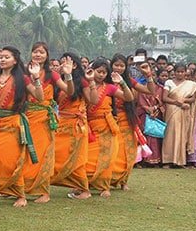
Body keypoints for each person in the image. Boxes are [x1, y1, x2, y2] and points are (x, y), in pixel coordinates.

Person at [0, 46, 43, 207]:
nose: (3, 59)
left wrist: (36, 78)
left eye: (7, 57)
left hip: (13, 123)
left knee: (11, 160)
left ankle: (20, 195)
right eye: (1, 57)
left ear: (15, 60)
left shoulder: (23, 79)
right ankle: (2, 188)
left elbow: (39, 97)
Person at [22, 42, 74, 203]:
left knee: (42, 153)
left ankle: (44, 191)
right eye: (35, 52)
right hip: (25, 116)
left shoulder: (51, 75)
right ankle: (20, 186)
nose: (38, 55)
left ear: (47, 56)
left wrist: (68, 75)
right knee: (23, 153)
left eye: (41, 52)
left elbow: (70, 91)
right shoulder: (24, 72)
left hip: (43, 119)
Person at [82, 59, 133, 198]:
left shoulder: (109, 88)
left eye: (104, 72)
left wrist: (122, 83)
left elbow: (129, 97)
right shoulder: (85, 85)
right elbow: (89, 101)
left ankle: (105, 187)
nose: (101, 75)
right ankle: (85, 184)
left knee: (107, 157)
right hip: (90, 126)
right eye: (99, 71)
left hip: (106, 126)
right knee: (88, 157)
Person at [51, 52, 98, 199]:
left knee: (76, 158)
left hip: (76, 126)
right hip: (62, 124)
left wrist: (91, 82)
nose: (62, 65)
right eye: (61, 62)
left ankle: (84, 190)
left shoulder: (82, 82)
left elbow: (93, 100)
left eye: (65, 62)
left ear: (74, 65)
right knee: (59, 155)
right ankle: (76, 186)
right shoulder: (59, 83)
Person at [109, 54, 154, 190]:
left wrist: (148, 75)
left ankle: (123, 181)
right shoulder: (106, 80)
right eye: (116, 65)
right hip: (109, 119)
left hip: (126, 120)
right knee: (111, 150)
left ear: (126, 67)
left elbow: (150, 91)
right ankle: (105, 179)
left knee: (127, 151)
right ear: (111, 65)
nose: (119, 68)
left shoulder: (129, 81)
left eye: (122, 65)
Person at [161, 64, 196, 168]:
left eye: (182, 72)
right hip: (172, 110)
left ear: (185, 72)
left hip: (184, 111)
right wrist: (176, 102)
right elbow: (164, 97)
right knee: (170, 134)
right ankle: (167, 161)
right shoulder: (169, 82)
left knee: (182, 134)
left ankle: (180, 161)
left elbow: (193, 99)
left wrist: (184, 101)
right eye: (178, 72)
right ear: (174, 72)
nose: (180, 74)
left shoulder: (191, 85)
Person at [136, 68, 166, 167]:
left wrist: (155, 109)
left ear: (157, 77)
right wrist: (147, 109)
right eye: (150, 75)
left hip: (156, 116)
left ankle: (155, 160)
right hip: (144, 116)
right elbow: (140, 103)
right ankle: (143, 160)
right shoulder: (142, 88)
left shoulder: (160, 89)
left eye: (154, 75)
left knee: (155, 138)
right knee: (144, 137)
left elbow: (163, 102)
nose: (152, 77)